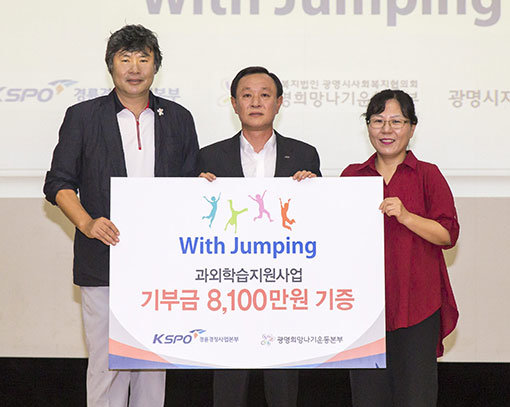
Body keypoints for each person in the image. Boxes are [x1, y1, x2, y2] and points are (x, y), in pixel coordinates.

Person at [43, 24, 199, 407]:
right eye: (125, 59)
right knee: (106, 362)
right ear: (110, 65)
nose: (134, 68)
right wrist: (87, 223)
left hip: (161, 262)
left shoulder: (178, 117)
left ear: (156, 66)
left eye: (143, 59)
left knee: (152, 362)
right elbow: (58, 183)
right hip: (103, 258)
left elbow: (191, 185)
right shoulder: (83, 116)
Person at [198, 66, 321, 407]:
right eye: (247, 95)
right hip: (228, 288)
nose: (256, 102)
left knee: (282, 389)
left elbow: (316, 222)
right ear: (233, 104)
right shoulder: (209, 157)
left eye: (265, 95)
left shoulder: (304, 154)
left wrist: (313, 191)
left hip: (283, 288)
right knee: (228, 386)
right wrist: (195, 194)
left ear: (279, 103)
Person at [341, 89, 459, 407]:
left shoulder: (428, 175)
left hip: (417, 305)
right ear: (367, 126)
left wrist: (406, 216)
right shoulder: (352, 176)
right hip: (364, 310)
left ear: (412, 127)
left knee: (416, 397)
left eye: (396, 121)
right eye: (378, 120)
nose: (386, 129)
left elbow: (447, 234)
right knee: (368, 398)